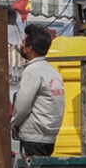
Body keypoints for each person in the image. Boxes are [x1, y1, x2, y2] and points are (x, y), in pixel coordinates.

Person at [13, 23, 66, 160]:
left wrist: (14, 124)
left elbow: (22, 106)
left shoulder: (32, 71)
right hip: (49, 137)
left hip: (34, 136)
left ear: (29, 48)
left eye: (24, 43)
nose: (21, 46)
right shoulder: (52, 72)